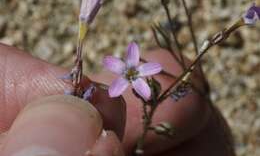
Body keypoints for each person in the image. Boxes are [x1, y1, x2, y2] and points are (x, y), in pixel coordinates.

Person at [0, 43, 235, 156]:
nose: (131, 74)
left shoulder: (138, 80)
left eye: (133, 73)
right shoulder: (125, 79)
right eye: (130, 73)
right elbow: (116, 89)